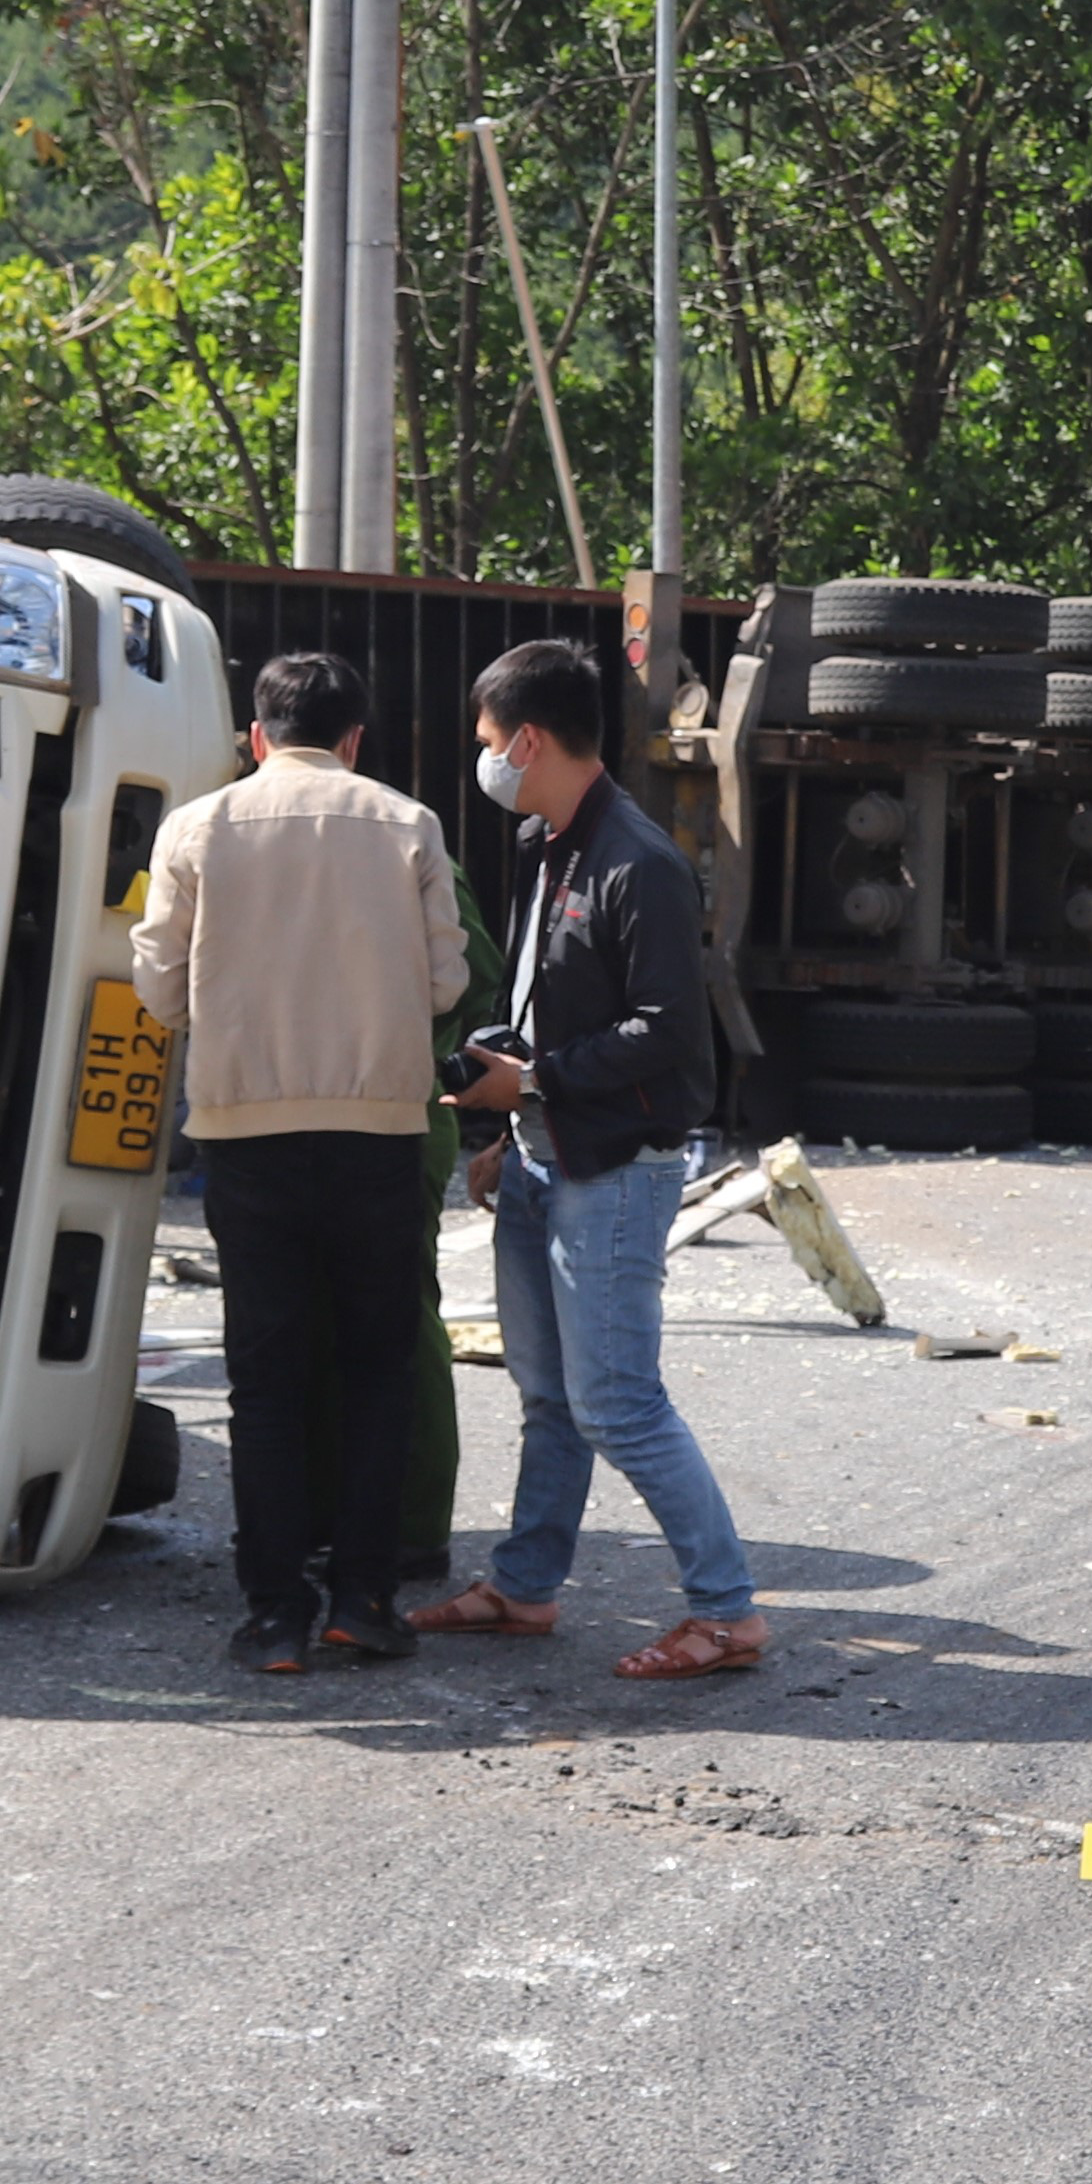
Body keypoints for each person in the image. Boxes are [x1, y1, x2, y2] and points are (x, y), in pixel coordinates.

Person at [402, 637, 758, 1681]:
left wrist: (538, 1085)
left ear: (526, 738)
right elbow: (547, 1009)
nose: (484, 761)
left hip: (612, 1169)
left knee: (616, 1404)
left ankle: (727, 1612)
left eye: (485, 742)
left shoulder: (636, 861)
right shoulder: (549, 841)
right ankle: (522, 1587)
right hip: (544, 1157)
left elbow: (669, 1038)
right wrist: (506, 1112)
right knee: (549, 1396)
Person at [128, 652, 463, 1677]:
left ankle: (273, 1612)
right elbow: (447, 981)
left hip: (246, 1137)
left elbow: (156, 988)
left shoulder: (195, 826)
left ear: (256, 736)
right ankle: (362, 1600)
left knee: (264, 1385)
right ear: (354, 738)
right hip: (376, 1134)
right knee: (375, 1371)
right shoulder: (408, 824)